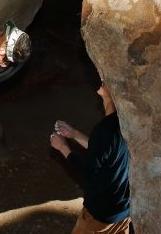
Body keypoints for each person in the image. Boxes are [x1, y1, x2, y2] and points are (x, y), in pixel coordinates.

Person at [50, 81, 132, 234]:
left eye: (108, 79)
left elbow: (87, 172)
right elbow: (105, 152)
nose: (103, 78)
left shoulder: (105, 129)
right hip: (123, 212)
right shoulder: (125, 122)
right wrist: (74, 134)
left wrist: (63, 148)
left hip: (99, 216)